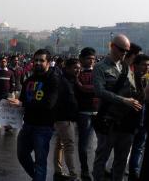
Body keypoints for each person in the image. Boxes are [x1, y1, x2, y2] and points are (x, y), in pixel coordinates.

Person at [92, 34, 142, 181]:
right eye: (121, 50)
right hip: (108, 120)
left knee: (121, 160)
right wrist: (124, 100)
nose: (124, 54)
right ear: (112, 46)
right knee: (102, 158)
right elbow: (100, 91)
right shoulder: (100, 67)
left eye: (126, 51)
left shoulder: (126, 67)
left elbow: (133, 90)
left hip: (126, 122)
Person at [9, 49, 60, 181]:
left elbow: (48, 104)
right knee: (22, 155)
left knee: (40, 162)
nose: (37, 63)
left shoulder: (53, 79)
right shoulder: (29, 80)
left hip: (43, 127)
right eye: (35, 60)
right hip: (27, 125)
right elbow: (22, 100)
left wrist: (22, 104)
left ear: (48, 62)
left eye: (41, 60)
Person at [53, 58, 80, 181]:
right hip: (64, 118)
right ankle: (73, 174)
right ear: (67, 68)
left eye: (78, 68)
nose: (78, 70)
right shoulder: (62, 81)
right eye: (75, 68)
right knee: (69, 145)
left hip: (66, 118)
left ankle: (58, 170)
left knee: (60, 145)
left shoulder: (72, 80)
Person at [75, 47, 98, 181]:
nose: (91, 61)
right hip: (83, 112)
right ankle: (84, 169)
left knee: (102, 144)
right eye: (88, 58)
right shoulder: (77, 73)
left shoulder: (98, 73)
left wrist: (83, 87)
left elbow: (99, 88)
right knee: (83, 144)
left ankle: (98, 168)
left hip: (97, 111)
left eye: (93, 59)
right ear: (81, 59)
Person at [128, 54, 149, 180]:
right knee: (124, 149)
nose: (146, 67)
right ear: (135, 66)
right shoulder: (129, 79)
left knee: (138, 148)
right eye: (144, 65)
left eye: (148, 65)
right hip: (130, 119)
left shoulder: (146, 80)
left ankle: (133, 172)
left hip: (144, 119)